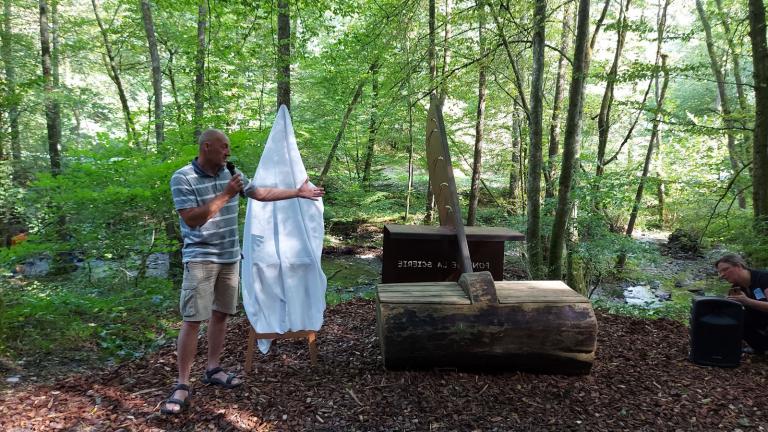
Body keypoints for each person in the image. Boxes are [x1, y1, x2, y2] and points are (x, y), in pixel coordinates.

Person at [161, 129, 324, 415]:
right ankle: (182, 384)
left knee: (221, 314)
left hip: (229, 258)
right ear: (207, 146)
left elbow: (260, 192)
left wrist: (297, 192)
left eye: (229, 148)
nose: (228, 152)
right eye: (224, 147)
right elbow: (193, 219)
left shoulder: (231, 173)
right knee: (192, 319)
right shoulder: (182, 177)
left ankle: (213, 368)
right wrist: (226, 194)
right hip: (200, 259)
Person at [716, 254, 768, 355]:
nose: (722, 275)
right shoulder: (736, 288)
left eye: (725, 269)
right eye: (720, 272)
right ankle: (760, 347)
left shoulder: (763, 278)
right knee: (735, 316)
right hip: (761, 322)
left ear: (739, 266)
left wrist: (747, 301)